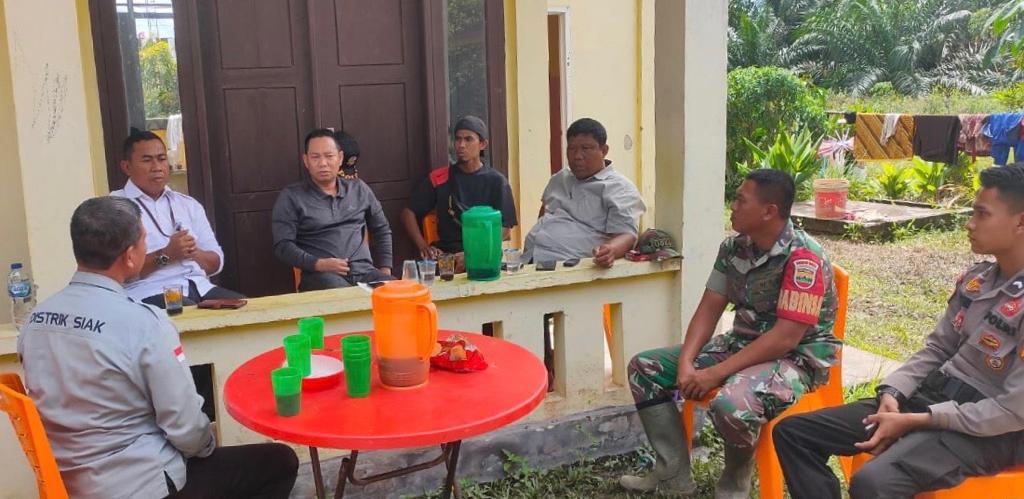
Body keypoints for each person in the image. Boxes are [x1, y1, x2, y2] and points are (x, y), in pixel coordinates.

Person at [17, 196, 298, 499]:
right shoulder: (144, 323)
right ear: (130, 256)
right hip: (139, 486)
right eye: (144, 240)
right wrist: (205, 446)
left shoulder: (35, 320)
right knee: (279, 461)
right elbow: (186, 428)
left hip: (66, 485)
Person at [773, 164, 1024, 499]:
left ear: (1020, 222)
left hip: (988, 430)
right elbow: (938, 349)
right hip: (930, 399)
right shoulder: (978, 280)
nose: (970, 223)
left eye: (982, 214)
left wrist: (921, 420)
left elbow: (1013, 411)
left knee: (874, 482)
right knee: (795, 433)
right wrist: (893, 393)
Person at [620, 169, 840, 498]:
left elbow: (785, 338)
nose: (733, 206)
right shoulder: (734, 248)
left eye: (740, 200)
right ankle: (673, 474)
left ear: (769, 211)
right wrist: (687, 362)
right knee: (645, 368)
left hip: (794, 359)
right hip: (741, 345)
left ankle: (734, 484)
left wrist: (715, 373)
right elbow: (709, 309)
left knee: (732, 404)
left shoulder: (803, 259)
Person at [110, 129, 244, 307]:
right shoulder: (114, 207)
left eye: (162, 159)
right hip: (153, 291)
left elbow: (215, 263)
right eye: (147, 160)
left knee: (248, 308)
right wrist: (166, 254)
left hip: (201, 288)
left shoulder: (188, 204)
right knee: (185, 312)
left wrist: (194, 251)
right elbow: (117, 271)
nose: (157, 167)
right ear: (127, 167)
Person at [272, 128, 394, 291]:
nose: (323, 163)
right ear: (306, 161)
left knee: (398, 293)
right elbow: (283, 246)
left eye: (329, 156)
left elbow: (382, 229)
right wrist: (319, 264)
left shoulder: (359, 189)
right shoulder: (292, 196)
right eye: (315, 157)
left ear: (340, 158)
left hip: (365, 273)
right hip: (321, 277)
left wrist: (385, 270)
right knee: (343, 296)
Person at [522, 117, 645, 268]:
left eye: (586, 148)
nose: (577, 156)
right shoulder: (560, 179)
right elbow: (544, 215)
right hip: (530, 260)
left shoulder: (620, 189)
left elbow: (627, 234)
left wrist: (611, 250)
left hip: (571, 267)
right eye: (571, 149)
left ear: (604, 150)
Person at [401, 115, 517, 264]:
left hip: (483, 253)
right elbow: (408, 213)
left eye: (468, 139)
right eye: (458, 139)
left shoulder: (497, 182)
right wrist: (423, 246)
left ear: (482, 144)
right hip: (447, 255)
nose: (461, 145)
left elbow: (505, 229)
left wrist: (472, 253)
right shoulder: (440, 178)